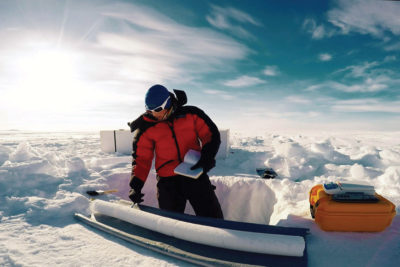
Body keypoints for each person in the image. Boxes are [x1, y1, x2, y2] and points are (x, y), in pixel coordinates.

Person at [128, 84, 223, 219]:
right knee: (169, 221)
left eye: (157, 109)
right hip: (168, 181)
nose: (153, 114)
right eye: (149, 110)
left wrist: (207, 157)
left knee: (212, 216)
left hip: (194, 172)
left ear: (167, 104)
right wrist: (136, 186)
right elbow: (141, 159)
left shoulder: (191, 114)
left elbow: (211, 135)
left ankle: (219, 236)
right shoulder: (146, 127)